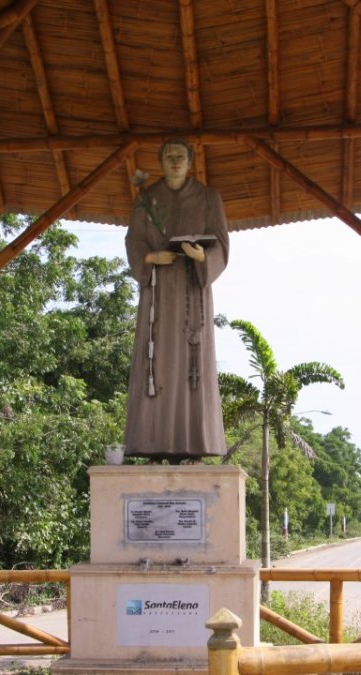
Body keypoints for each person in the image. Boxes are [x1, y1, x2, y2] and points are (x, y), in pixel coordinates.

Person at [124, 139, 230, 460]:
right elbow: (134, 241)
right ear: (160, 161)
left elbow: (222, 246)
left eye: (180, 156)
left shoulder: (209, 198)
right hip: (158, 291)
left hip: (193, 292)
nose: (174, 161)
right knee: (157, 359)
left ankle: (194, 444)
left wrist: (202, 257)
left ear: (190, 161)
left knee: (191, 364)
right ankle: (153, 444)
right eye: (169, 156)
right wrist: (150, 257)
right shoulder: (147, 199)